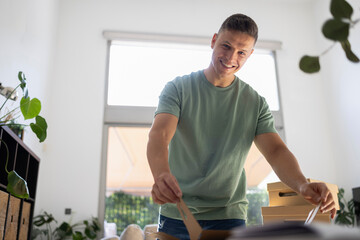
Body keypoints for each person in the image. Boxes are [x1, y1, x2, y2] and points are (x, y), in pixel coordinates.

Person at [147, 13, 336, 239]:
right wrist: (161, 175)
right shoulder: (178, 88)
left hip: (228, 214)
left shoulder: (255, 103)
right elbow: (159, 135)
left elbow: (276, 151)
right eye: (225, 46)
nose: (230, 57)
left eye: (241, 52)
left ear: (250, 55)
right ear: (214, 40)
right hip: (178, 211)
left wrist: (303, 186)